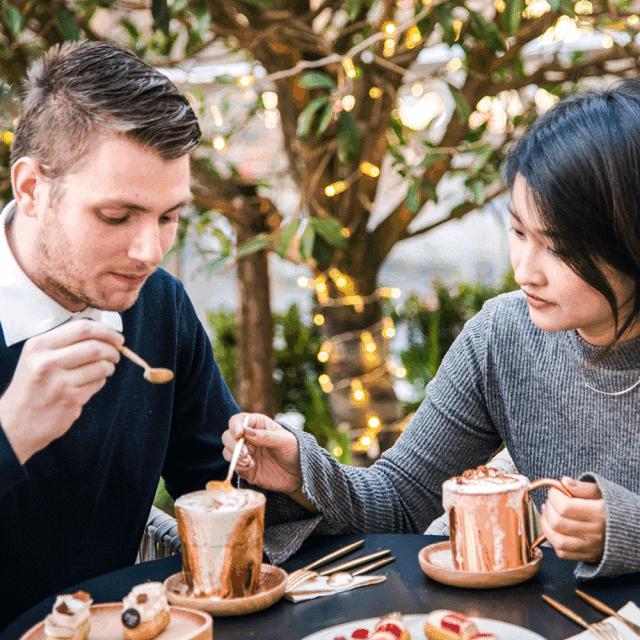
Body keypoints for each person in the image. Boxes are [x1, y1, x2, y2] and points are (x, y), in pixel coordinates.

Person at [223, 80, 640, 580]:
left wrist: (627, 528)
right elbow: (401, 498)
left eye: (559, 247)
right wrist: (301, 473)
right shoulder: (503, 336)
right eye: (518, 232)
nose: (526, 270)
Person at [0, 41, 239, 628]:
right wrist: (11, 435)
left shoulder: (157, 305)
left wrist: (277, 470)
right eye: (116, 216)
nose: (148, 252)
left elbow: (212, 482)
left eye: (168, 216)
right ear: (31, 189)